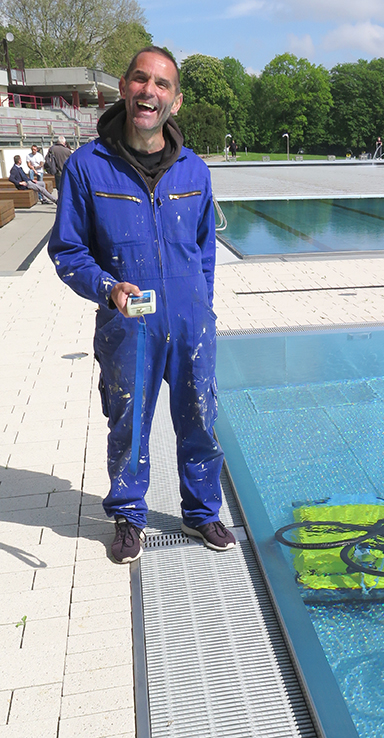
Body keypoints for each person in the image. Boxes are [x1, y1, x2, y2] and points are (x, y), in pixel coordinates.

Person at [48, 46, 236, 564]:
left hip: (191, 324)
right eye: (139, 80)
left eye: (161, 85)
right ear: (125, 89)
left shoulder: (195, 171)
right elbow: (67, 249)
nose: (148, 91)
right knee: (128, 423)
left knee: (200, 419)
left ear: (175, 102)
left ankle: (201, 511)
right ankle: (129, 515)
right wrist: (107, 287)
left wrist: (204, 308)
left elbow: (204, 250)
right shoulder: (89, 166)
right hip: (128, 325)